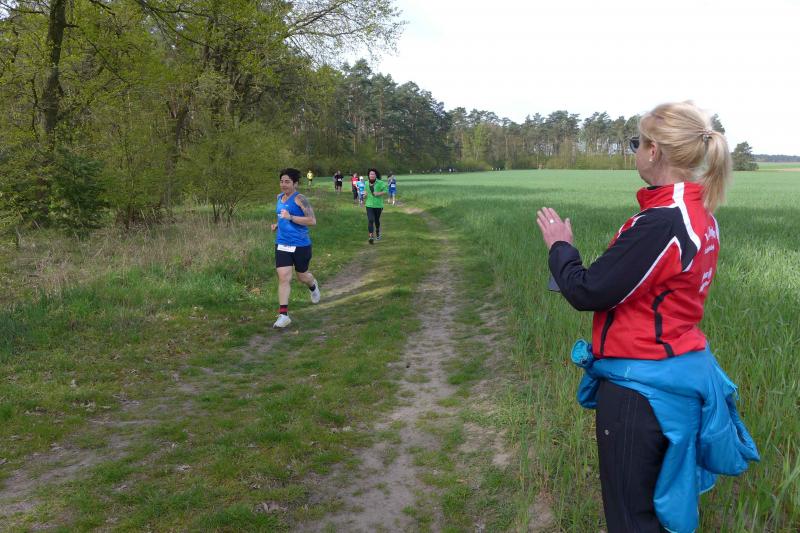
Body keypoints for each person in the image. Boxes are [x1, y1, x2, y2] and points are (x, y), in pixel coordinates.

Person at [536, 101, 758, 533]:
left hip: (641, 390)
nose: (634, 151)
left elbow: (588, 291)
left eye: (636, 143)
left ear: (654, 151)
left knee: (631, 517)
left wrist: (560, 247)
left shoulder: (664, 222)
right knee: (653, 510)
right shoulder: (699, 214)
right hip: (675, 375)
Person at [271, 168, 321, 328]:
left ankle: (312, 285)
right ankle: (283, 315)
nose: (283, 184)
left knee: (302, 276)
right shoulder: (279, 197)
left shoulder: (300, 199)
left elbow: (312, 220)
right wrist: (278, 224)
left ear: (295, 184)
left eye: (287, 182)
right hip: (282, 243)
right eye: (281, 181)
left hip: (300, 245)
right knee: (284, 277)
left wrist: (291, 217)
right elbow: (282, 216)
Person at [363, 168, 388, 244]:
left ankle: (377, 231)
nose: (372, 175)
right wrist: (364, 194)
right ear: (368, 175)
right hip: (369, 204)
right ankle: (371, 236)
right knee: (370, 220)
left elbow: (386, 190)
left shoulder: (380, 183)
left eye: (373, 174)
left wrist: (379, 193)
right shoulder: (366, 183)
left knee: (377, 220)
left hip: (378, 205)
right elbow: (365, 191)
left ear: (376, 175)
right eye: (370, 174)